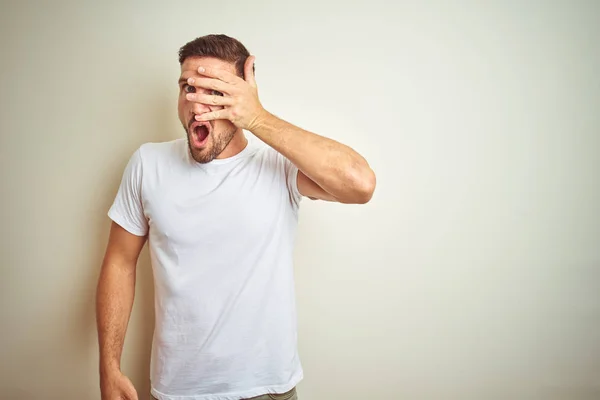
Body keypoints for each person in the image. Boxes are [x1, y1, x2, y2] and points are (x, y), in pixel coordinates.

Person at [95, 34, 376, 400]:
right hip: (180, 391)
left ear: (244, 96)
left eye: (215, 92)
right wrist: (109, 367)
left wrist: (258, 117)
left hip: (268, 388)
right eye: (188, 88)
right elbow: (119, 261)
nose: (196, 105)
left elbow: (361, 184)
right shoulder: (148, 164)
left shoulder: (279, 165)